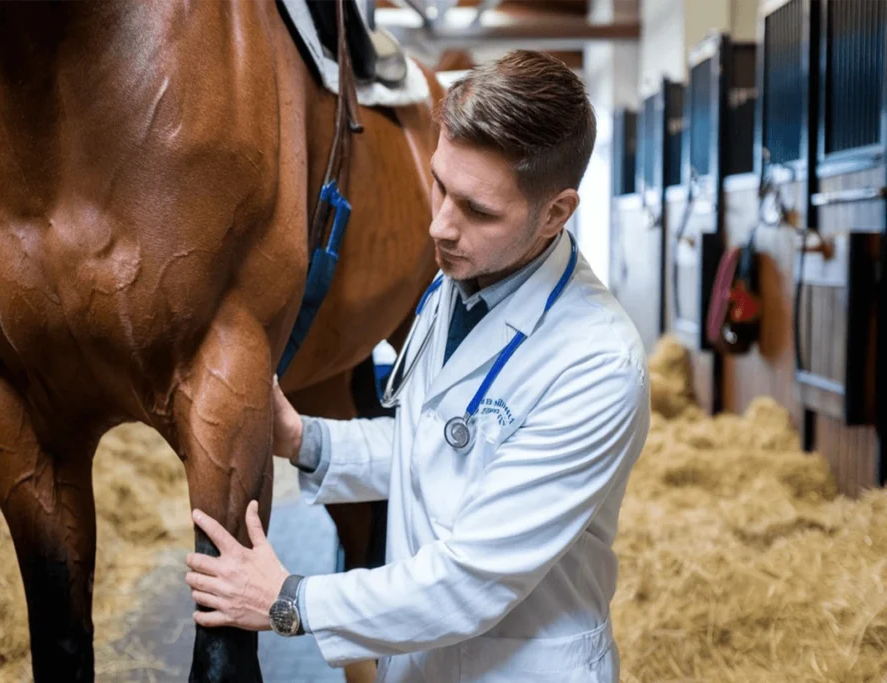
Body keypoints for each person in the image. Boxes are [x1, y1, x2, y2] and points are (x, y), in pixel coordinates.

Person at [183, 49, 650, 683]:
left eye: (478, 210)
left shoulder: (597, 364)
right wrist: (308, 439)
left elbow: (470, 581)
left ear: (556, 213)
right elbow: (438, 444)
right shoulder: (461, 280)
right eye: (439, 184)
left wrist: (289, 599)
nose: (440, 226)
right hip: (424, 662)